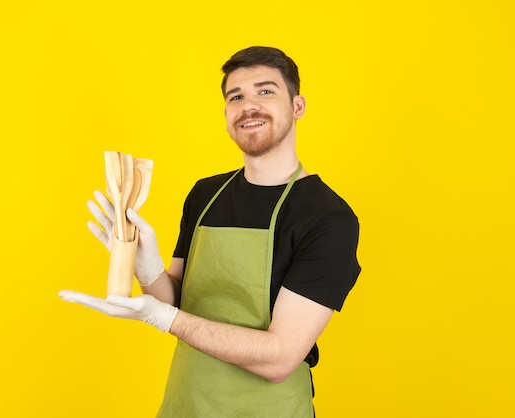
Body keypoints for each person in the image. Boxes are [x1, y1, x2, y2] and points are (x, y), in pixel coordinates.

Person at [59, 46, 361, 417]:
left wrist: (162, 318)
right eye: (236, 96)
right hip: (186, 404)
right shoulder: (206, 194)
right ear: (226, 114)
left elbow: (280, 358)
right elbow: (176, 301)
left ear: (297, 106)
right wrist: (145, 267)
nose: (249, 105)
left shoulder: (327, 218)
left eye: (265, 91)